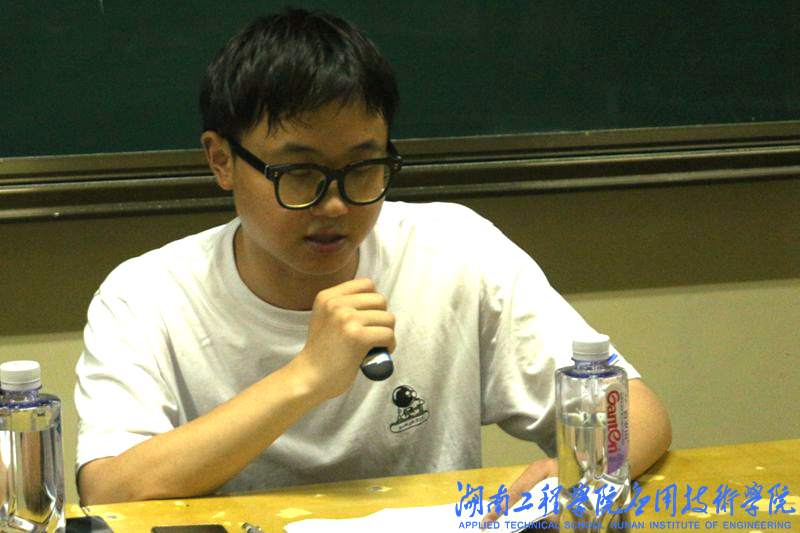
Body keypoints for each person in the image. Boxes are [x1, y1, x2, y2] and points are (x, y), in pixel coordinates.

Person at [74, 8, 671, 514]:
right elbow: (110, 489)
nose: (336, 204)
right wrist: (306, 378)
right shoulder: (145, 295)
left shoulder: (455, 249)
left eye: (364, 168)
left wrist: (575, 477)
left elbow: (637, 412)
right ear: (222, 161)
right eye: (299, 172)